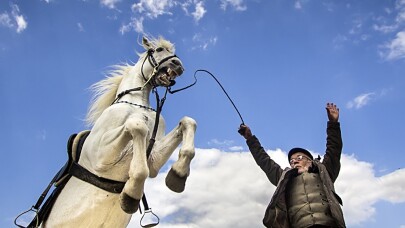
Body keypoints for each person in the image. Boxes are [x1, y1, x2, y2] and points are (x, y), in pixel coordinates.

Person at [238, 103, 346, 228]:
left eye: (299, 158)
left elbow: (334, 149)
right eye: (292, 160)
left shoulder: (324, 171)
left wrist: (333, 123)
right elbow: (264, 161)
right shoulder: (283, 177)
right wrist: (250, 138)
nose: (294, 161)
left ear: (310, 161)